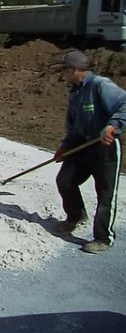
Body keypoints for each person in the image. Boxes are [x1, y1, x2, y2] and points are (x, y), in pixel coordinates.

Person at [52, 49, 126, 254]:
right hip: (81, 145)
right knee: (65, 181)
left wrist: (112, 125)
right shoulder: (75, 91)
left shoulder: (100, 85)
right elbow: (73, 124)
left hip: (104, 148)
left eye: (63, 70)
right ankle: (75, 216)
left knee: (104, 194)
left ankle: (103, 238)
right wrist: (65, 147)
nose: (62, 75)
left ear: (75, 69)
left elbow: (124, 103)